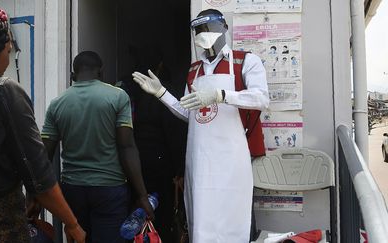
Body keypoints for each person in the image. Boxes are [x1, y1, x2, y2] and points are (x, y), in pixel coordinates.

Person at [132, 9, 269, 243]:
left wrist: (220, 94)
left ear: (224, 28)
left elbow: (261, 99)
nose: (204, 35)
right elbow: (189, 113)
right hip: (199, 161)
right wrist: (162, 93)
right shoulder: (194, 70)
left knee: (232, 221)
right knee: (201, 223)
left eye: (209, 28)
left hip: (231, 161)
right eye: (199, 30)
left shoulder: (244, 61)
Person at [0, 2, 85, 243]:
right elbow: (39, 175)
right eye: (8, 50)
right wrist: (72, 224)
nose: (8, 57)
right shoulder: (3, 91)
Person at [41, 51, 154, 243]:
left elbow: (44, 156)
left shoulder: (57, 104)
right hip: (109, 189)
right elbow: (126, 147)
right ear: (101, 73)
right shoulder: (118, 97)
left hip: (72, 189)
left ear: (73, 74)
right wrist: (142, 195)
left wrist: (37, 197)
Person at [117, 48, 187, 243]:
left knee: (132, 214)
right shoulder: (165, 91)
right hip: (160, 164)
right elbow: (175, 133)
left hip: (129, 162)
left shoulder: (123, 89)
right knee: (161, 215)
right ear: (160, 66)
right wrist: (180, 169)